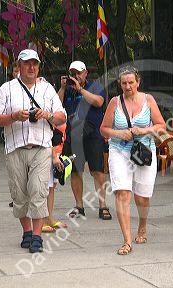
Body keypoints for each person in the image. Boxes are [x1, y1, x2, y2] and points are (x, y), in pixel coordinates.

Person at [0, 49, 66, 253]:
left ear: (39, 66)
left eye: (35, 63)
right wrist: (14, 116)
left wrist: (48, 115)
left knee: (38, 190)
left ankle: (37, 236)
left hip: (41, 147)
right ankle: (26, 232)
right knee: (20, 193)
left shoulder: (47, 89)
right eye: (27, 63)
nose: (31, 67)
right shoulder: (7, 89)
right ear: (19, 66)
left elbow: (62, 117)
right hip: (15, 148)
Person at [100, 66, 165, 255]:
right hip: (119, 151)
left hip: (143, 151)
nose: (128, 86)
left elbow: (161, 126)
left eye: (131, 82)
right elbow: (103, 129)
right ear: (120, 84)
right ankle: (127, 241)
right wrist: (119, 133)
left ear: (138, 82)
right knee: (123, 194)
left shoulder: (148, 100)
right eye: (124, 83)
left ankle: (142, 226)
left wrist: (144, 130)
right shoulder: (114, 102)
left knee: (142, 197)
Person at [57, 61, 111, 220]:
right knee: (75, 171)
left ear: (85, 73)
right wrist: (61, 88)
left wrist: (80, 89)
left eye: (79, 73)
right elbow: (56, 106)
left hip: (93, 134)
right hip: (73, 136)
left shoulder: (94, 86)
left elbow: (99, 102)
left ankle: (103, 205)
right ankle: (79, 206)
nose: (76, 76)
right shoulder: (66, 90)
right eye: (73, 73)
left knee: (98, 170)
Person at [42, 123, 68, 233]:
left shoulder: (60, 107)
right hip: (47, 151)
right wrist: (53, 156)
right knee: (44, 187)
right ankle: (41, 220)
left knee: (52, 186)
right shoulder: (48, 107)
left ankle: (49, 218)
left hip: (58, 150)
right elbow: (46, 134)